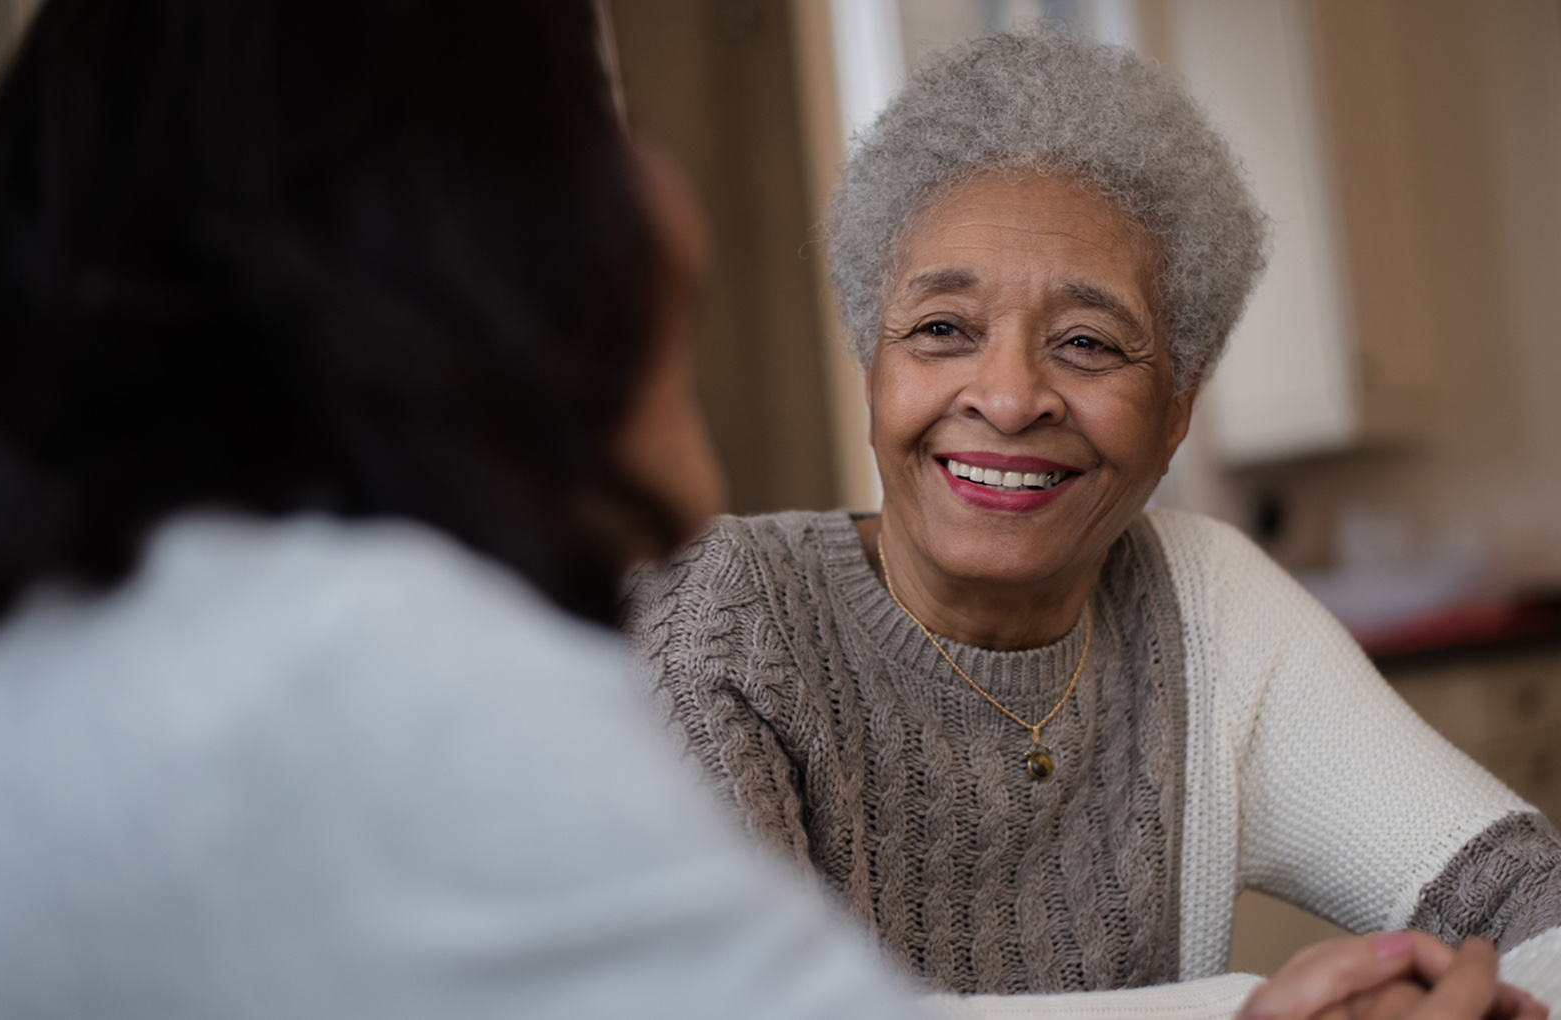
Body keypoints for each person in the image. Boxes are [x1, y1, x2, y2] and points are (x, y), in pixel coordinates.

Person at [0, 1, 932, 1016]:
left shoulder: (47, 671)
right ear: (447, 221)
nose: (667, 198)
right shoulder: (363, 684)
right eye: (592, 122)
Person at [627, 27, 1561, 1016]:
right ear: (874, 366)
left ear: (1175, 412)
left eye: (1087, 342)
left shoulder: (1206, 603)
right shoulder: (725, 618)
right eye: (943, 329)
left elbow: (1533, 901)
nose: (1010, 395)